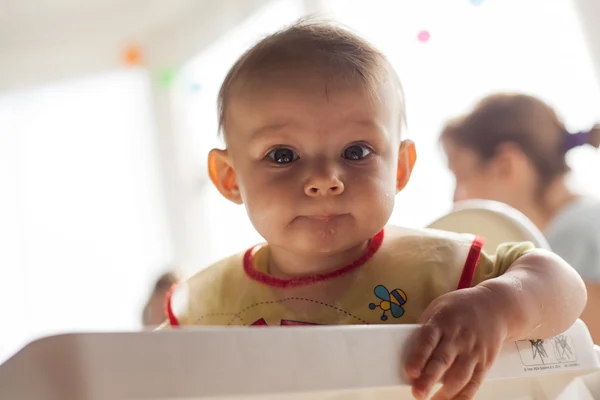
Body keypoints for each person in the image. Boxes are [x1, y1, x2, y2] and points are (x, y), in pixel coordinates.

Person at [162, 21, 587, 400]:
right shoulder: (208, 307)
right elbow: (139, 371)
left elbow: (564, 286)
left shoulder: (439, 273)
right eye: (283, 155)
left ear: (399, 168)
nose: (325, 178)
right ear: (230, 178)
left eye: (356, 151)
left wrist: (495, 306)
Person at [440, 93, 600, 345]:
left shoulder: (569, 241)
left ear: (506, 165)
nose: (457, 199)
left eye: (462, 176)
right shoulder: (587, 217)